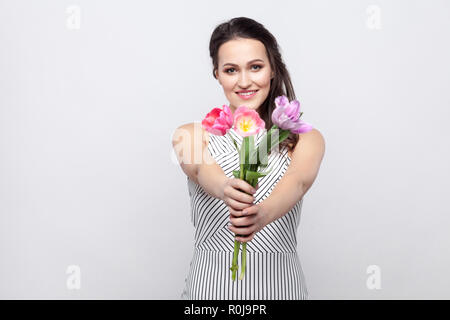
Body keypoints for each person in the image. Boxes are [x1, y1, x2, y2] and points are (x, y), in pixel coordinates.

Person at [172, 17, 325, 300]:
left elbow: (298, 181)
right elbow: (199, 167)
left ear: (272, 70)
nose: (244, 81)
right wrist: (224, 188)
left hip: (282, 289)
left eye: (255, 67)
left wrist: (261, 215)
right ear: (217, 73)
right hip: (210, 292)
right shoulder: (189, 134)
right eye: (231, 70)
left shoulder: (305, 138)